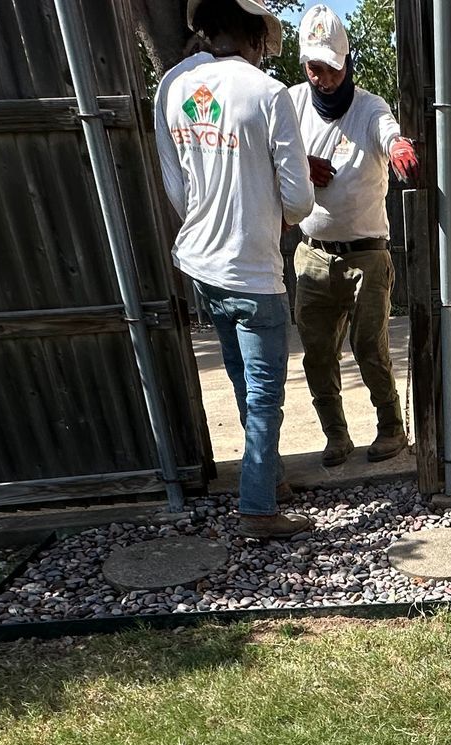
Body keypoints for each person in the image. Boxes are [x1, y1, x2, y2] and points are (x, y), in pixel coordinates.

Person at [154, 0, 316, 538]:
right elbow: (298, 197)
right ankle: (258, 510)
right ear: (254, 34)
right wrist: (272, 218)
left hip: (200, 261)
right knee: (266, 391)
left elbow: (176, 186)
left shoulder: (173, 85)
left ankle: (269, 478)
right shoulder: (268, 93)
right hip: (252, 266)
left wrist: (208, 223)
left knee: (241, 379)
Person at [288, 5, 418, 467]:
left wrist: (398, 146)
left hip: (367, 255)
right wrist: (300, 167)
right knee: (318, 355)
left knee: (369, 346)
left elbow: (386, 131)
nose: (322, 78)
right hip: (313, 256)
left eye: (331, 68)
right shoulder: (291, 105)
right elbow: (267, 158)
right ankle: (336, 436)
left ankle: (390, 429)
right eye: (314, 68)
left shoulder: (369, 107)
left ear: (347, 63)